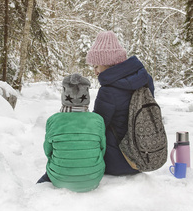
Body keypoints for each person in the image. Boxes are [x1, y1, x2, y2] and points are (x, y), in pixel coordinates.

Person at [86, 30, 155, 176]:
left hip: (116, 162)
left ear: (106, 63)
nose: (95, 71)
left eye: (96, 66)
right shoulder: (145, 80)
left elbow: (98, 126)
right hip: (145, 156)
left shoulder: (108, 90)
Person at [37, 73, 106, 192]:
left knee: (40, 184)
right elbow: (102, 148)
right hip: (93, 178)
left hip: (59, 179)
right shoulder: (98, 120)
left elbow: (48, 151)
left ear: (64, 95)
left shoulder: (53, 120)